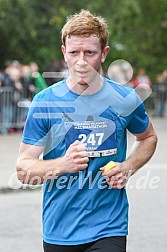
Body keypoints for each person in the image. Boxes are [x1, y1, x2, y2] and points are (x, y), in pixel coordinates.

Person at [16, 10, 157, 252]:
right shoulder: (45, 103)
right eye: (74, 53)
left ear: (104, 54)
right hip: (60, 230)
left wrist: (128, 167)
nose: (81, 62)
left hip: (109, 227)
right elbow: (23, 169)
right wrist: (63, 165)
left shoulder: (124, 99)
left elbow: (148, 137)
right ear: (64, 53)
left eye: (89, 53)